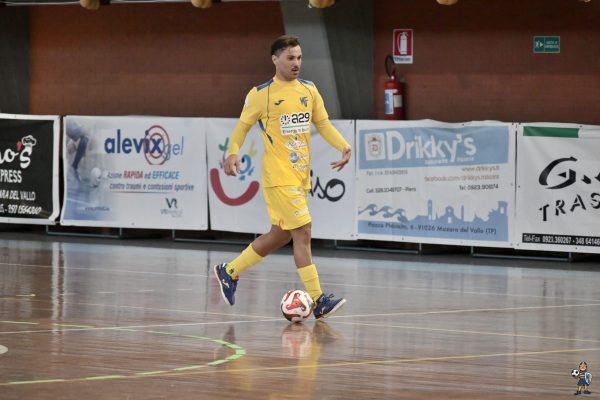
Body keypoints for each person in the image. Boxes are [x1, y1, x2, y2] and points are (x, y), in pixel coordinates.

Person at [214, 35, 352, 320]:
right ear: (275, 59)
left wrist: (343, 145)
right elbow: (242, 127)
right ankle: (318, 300)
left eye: (299, 57)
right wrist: (233, 153)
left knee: (280, 235)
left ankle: (230, 271)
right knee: (303, 232)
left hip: (300, 178)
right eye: (290, 58)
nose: (296, 63)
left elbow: (323, 123)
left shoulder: (309, 90)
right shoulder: (261, 94)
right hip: (278, 177)